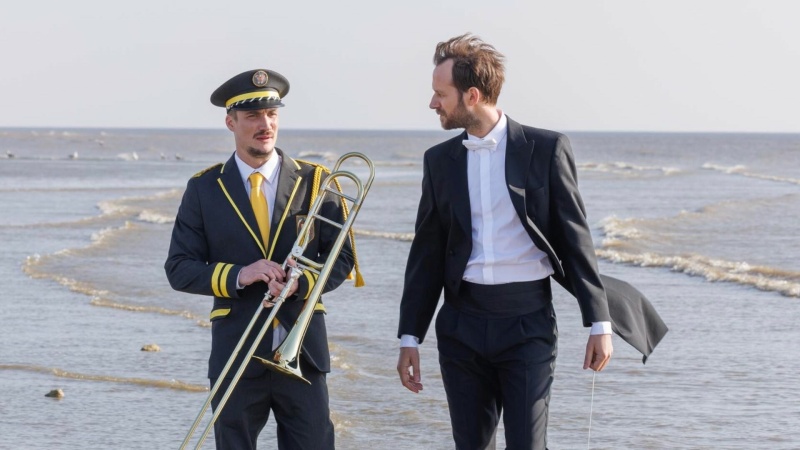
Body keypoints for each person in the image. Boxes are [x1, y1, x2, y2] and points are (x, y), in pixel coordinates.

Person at [396, 34, 614, 449]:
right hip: (460, 326)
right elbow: (426, 253)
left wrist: (598, 323)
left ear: (472, 95)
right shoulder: (439, 161)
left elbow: (575, 237)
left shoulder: (547, 149)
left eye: (441, 94)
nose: (432, 103)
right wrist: (410, 337)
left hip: (527, 323)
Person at [165, 68, 357, 450]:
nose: (265, 124)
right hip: (236, 349)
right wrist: (241, 274)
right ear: (230, 122)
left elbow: (342, 258)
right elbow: (179, 269)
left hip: (303, 351)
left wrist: (301, 283)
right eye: (252, 115)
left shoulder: (317, 182)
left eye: (271, 113)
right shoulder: (204, 188)